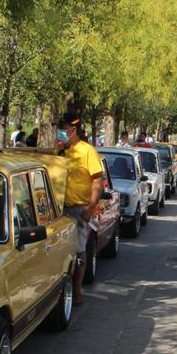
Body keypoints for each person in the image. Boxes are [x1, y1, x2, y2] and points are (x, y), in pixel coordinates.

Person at [59, 112, 105, 304]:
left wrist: (90, 206)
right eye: (59, 129)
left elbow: (97, 180)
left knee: (79, 250)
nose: (60, 133)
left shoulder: (88, 151)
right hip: (61, 209)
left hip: (80, 209)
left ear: (73, 130)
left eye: (63, 130)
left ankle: (76, 292)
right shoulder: (60, 152)